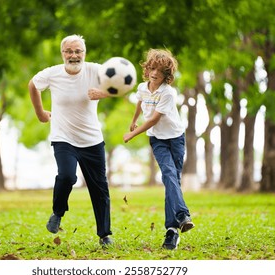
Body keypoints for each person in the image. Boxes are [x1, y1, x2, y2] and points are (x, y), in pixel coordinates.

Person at [28, 34, 113, 246]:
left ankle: (105, 235)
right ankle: (57, 212)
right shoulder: (53, 73)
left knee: (99, 187)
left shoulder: (95, 70)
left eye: (78, 51)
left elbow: (120, 85)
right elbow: (32, 85)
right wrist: (40, 113)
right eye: (69, 51)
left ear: (84, 53)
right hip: (63, 137)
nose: (74, 55)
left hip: (92, 139)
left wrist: (103, 93)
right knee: (66, 176)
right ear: (62, 53)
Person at [123, 49, 194, 250]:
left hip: (176, 139)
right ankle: (181, 217)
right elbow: (140, 102)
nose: (155, 73)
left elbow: (154, 118)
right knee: (169, 175)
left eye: (160, 71)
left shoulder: (168, 93)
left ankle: (171, 231)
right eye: (152, 68)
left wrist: (132, 134)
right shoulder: (142, 88)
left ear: (167, 75)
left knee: (172, 180)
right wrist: (134, 120)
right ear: (147, 69)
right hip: (157, 140)